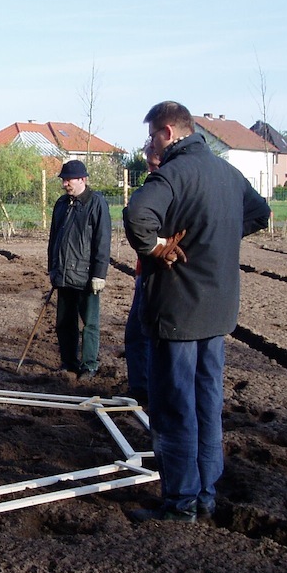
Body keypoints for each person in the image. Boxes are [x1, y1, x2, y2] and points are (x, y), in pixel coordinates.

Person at [123, 101, 271, 523]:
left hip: (177, 312)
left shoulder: (173, 174)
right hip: (217, 313)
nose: (151, 144)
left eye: (152, 136)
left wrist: (157, 247)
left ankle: (180, 502)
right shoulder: (227, 173)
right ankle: (206, 494)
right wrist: (216, 237)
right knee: (207, 404)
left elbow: (136, 215)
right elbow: (259, 213)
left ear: (168, 132)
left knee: (174, 408)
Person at [47, 159, 112, 380]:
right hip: (63, 274)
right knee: (64, 323)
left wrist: (99, 274)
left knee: (89, 323)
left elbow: (103, 240)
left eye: (69, 180)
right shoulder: (61, 204)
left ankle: (89, 365)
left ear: (82, 179)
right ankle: (69, 362)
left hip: (86, 276)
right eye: (63, 180)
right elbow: (54, 239)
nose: (65, 184)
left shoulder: (96, 203)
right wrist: (52, 268)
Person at [122, 140, 162, 405]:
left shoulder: (165, 190)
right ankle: (141, 389)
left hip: (161, 275)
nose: (149, 170)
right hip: (144, 271)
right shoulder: (151, 188)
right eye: (148, 165)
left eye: (153, 165)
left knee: (146, 334)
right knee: (137, 333)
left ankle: (147, 391)